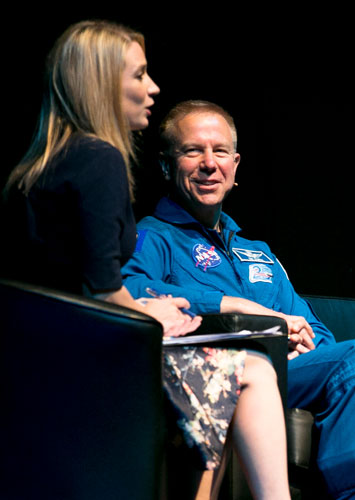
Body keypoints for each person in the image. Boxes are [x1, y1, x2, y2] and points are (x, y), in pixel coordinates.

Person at [121, 99, 355, 500]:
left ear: (235, 166)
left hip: (305, 373)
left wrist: (308, 342)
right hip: (247, 377)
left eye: (219, 152)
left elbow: (312, 324)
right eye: (193, 150)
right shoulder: (154, 235)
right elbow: (129, 289)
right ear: (166, 165)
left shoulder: (257, 251)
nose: (209, 163)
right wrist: (239, 308)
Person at [2, 21, 289, 500]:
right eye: (139, 76)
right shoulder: (99, 159)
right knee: (252, 371)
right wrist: (147, 309)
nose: (152, 88)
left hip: (41, 354)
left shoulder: (37, 164)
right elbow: (99, 290)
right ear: (102, 83)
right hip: (92, 353)